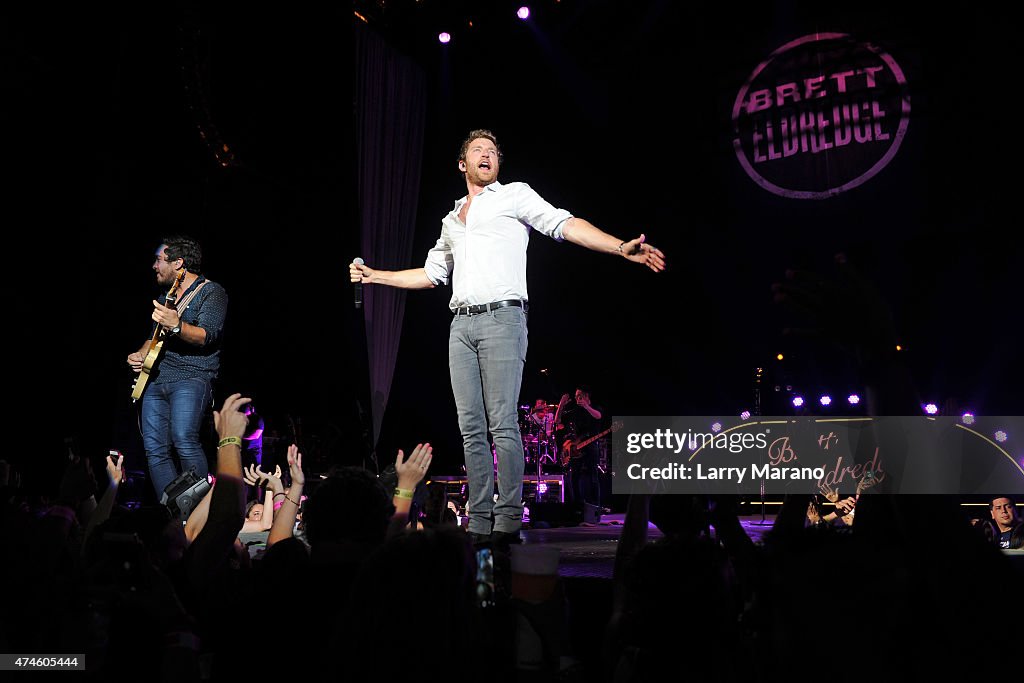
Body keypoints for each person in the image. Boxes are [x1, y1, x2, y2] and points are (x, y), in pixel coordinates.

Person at [350, 129, 665, 549]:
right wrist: (376, 276)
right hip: (460, 326)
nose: (487, 155)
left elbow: (564, 223)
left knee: (502, 425)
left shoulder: (514, 195)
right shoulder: (451, 219)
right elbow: (430, 275)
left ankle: (507, 521)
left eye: (493, 152)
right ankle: (479, 523)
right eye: (478, 150)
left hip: (503, 319)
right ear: (462, 164)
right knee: (470, 429)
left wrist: (618, 246)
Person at [127, 236, 228, 501]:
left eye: (159, 259)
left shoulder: (211, 291)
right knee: (155, 449)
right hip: (156, 379)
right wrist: (140, 353)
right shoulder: (166, 297)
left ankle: (199, 506)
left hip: (192, 376)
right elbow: (154, 337)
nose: (154, 266)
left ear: (179, 263)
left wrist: (177, 325)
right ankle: (173, 511)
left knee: (184, 438)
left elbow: (207, 335)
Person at [555, 386, 604, 507]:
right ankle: (577, 505)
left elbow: (598, 416)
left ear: (586, 396)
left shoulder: (595, 408)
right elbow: (557, 420)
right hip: (576, 448)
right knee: (574, 476)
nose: (576, 398)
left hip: (591, 446)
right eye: (576, 396)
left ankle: (595, 506)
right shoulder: (575, 411)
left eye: (579, 396)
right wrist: (561, 404)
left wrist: (586, 406)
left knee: (593, 476)